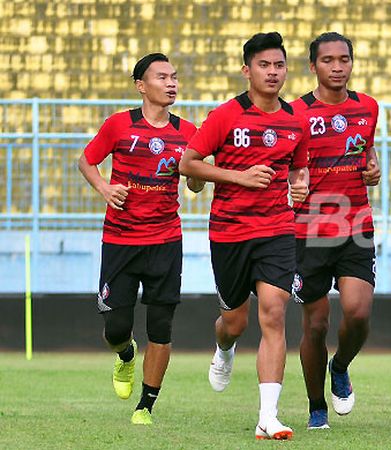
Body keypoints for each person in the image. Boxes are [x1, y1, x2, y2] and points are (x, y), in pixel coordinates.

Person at [179, 32, 309, 440]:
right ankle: (224, 348)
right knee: (234, 322)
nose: (273, 73)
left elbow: (298, 170)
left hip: (276, 229)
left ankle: (267, 417)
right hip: (230, 232)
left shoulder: (295, 121)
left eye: (279, 66)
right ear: (247, 70)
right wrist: (238, 176)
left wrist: (299, 185)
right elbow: (188, 163)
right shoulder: (224, 116)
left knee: (273, 312)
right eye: (264, 66)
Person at [78, 53, 202, 425]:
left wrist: (196, 177)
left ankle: (146, 406)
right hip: (120, 240)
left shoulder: (188, 131)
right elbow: (86, 160)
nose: (171, 83)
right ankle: (126, 355)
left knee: (160, 328)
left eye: (174, 77)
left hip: (166, 240)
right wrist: (104, 187)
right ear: (140, 85)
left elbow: (195, 181)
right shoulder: (118, 126)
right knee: (116, 329)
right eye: (162, 77)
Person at [289, 31, 380, 430]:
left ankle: (340, 366)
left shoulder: (368, 107)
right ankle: (316, 408)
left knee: (358, 314)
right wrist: (293, 181)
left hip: (356, 225)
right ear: (313, 66)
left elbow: (367, 152)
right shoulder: (293, 113)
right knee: (316, 323)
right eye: (328, 60)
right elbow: (282, 165)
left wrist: (373, 169)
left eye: (344, 59)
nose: (337, 67)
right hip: (307, 231)